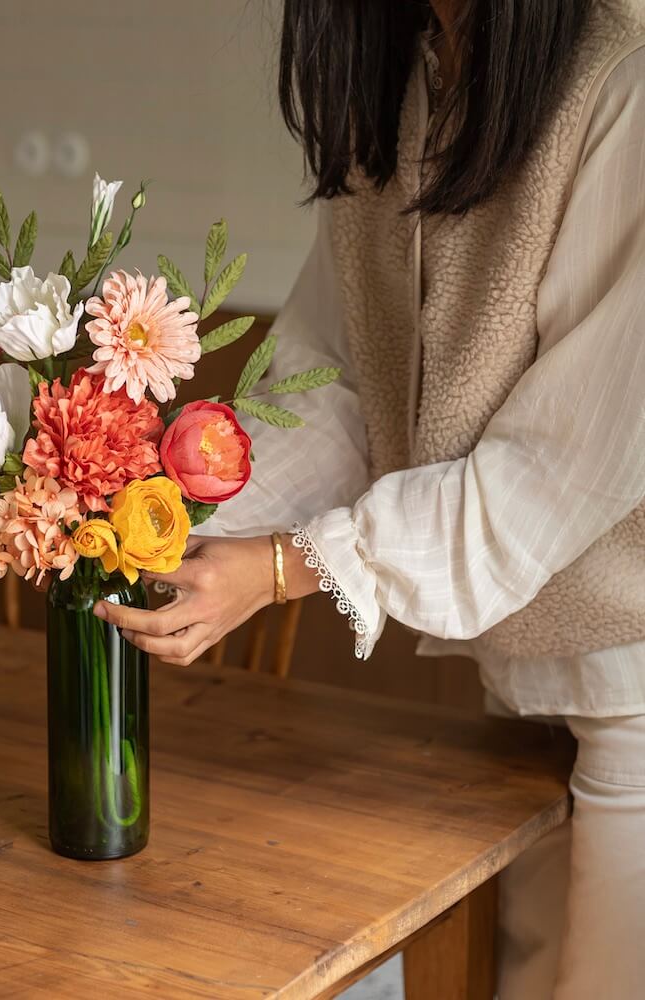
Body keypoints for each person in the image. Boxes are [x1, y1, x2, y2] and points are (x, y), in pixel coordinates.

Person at [93, 1, 645, 996]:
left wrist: (279, 569)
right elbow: (334, 378)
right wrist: (172, 518)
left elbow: (557, 468)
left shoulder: (626, 88)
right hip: (523, 682)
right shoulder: (409, 88)